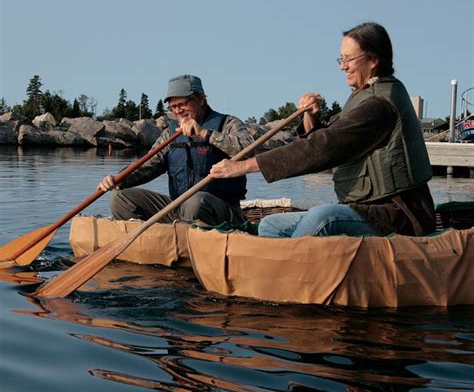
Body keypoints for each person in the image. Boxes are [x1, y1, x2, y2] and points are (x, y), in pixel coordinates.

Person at [210, 22, 437, 238]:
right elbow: (325, 137)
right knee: (271, 225)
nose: (342, 66)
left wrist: (242, 166)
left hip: (398, 213)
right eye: (341, 58)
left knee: (322, 219)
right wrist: (311, 116)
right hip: (364, 207)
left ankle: (292, 273)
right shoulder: (363, 95)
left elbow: (324, 146)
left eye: (349, 59)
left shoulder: (378, 105)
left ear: (374, 60)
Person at [98, 74, 254, 225]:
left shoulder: (228, 123)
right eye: (173, 107)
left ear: (200, 99)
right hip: (178, 208)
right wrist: (119, 179)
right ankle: (157, 240)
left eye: (182, 104)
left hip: (221, 211)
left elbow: (249, 150)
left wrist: (203, 133)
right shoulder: (170, 133)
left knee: (194, 202)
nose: (178, 111)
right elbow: (148, 165)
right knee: (119, 199)